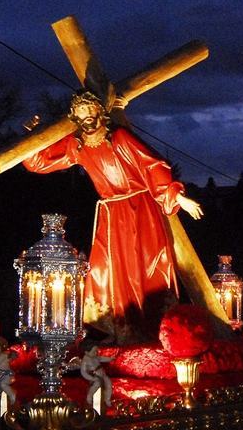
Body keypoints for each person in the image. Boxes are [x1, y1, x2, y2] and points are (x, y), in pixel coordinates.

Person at [24, 91, 203, 344]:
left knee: (143, 266)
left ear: (99, 111)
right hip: (111, 214)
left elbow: (152, 164)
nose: (86, 116)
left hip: (139, 209)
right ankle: (120, 326)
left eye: (89, 109)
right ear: (74, 116)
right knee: (108, 269)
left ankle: (148, 328)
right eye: (80, 111)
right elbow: (42, 161)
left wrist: (176, 195)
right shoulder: (78, 146)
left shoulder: (119, 137)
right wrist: (35, 137)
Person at [77, 342, 115, 409]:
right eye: (93, 352)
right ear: (86, 352)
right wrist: (91, 378)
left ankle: (107, 399)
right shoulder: (85, 361)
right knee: (97, 384)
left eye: (96, 351)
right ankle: (90, 396)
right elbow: (83, 372)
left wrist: (110, 359)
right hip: (94, 377)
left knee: (109, 383)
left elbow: (101, 358)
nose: (96, 353)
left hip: (102, 375)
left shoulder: (96, 357)